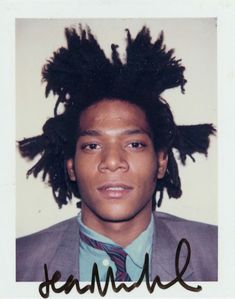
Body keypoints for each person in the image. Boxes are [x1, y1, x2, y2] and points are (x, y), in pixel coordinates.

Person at [16, 25, 217, 282]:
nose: (112, 162)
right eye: (92, 145)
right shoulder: (16, 264)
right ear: (71, 166)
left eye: (134, 144)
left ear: (161, 161)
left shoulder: (219, 253)